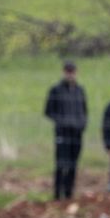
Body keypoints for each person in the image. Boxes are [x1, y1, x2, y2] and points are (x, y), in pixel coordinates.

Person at [43, 61, 87, 200]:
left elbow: (84, 110)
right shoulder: (56, 90)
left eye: (72, 71)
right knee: (61, 164)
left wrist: (82, 123)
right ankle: (57, 194)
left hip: (77, 133)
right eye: (68, 71)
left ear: (76, 72)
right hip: (62, 133)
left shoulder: (80, 90)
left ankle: (69, 194)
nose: (70, 74)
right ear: (64, 72)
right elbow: (48, 111)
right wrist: (62, 122)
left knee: (73, 164)